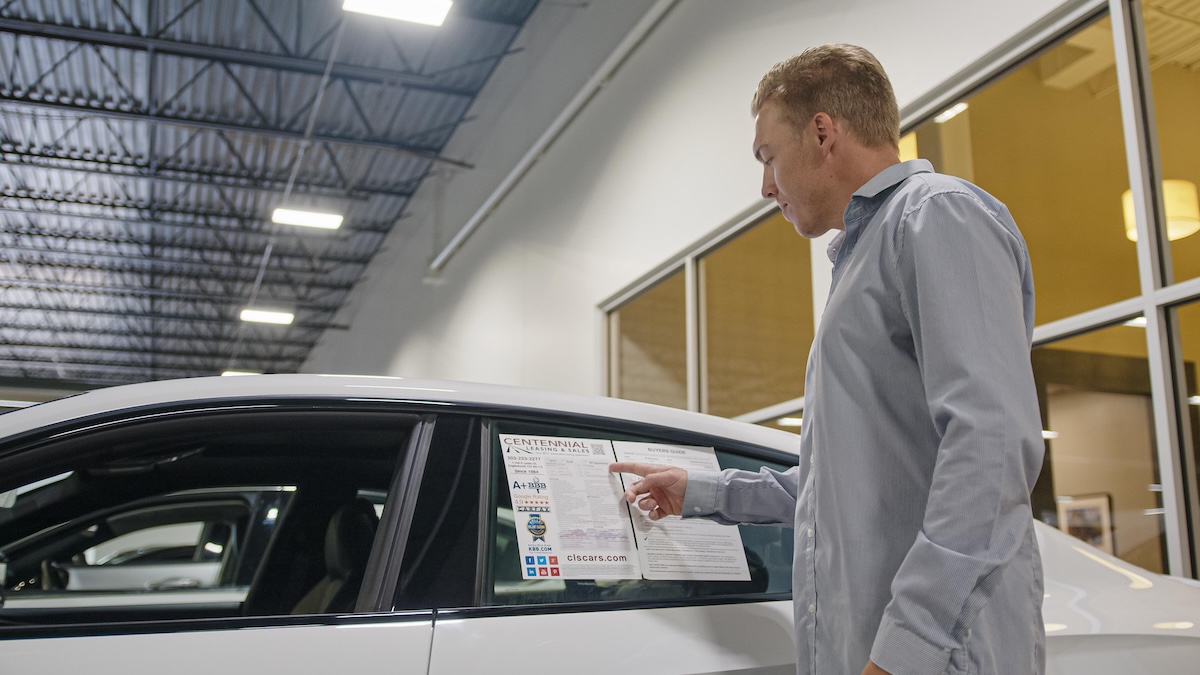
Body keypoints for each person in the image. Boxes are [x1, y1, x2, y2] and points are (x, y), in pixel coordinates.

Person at [611, 44, 1045, 675]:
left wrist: (909, 649)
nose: (765, 186)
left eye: (767, 157)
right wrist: (701, 492)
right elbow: (839, 485)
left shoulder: (934, 215)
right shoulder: (863, 260)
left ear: (821, 132)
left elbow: (992, 445)